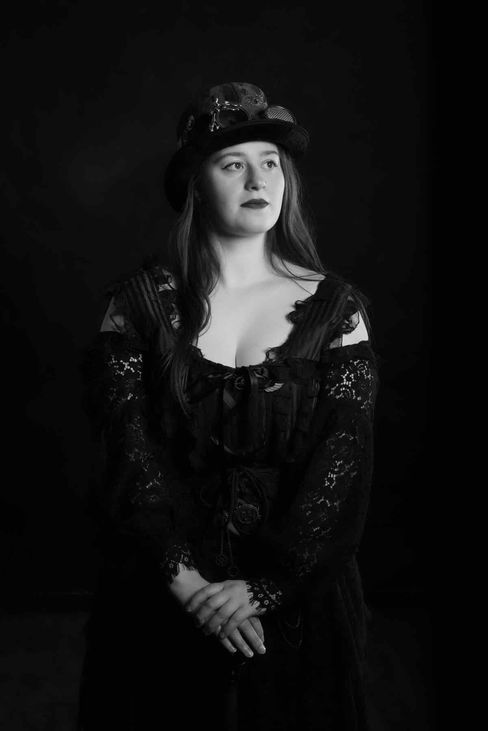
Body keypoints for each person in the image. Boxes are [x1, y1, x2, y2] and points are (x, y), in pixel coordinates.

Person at [78, 81, 379, 731]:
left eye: (271, 162)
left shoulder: (336, 310)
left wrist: (268, 588)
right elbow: (127, 455)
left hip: (297, 605)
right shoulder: (138, 306)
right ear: (196, 183)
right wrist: (190, 587)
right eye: (232, 163)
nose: (258, 178)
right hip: (161, 592)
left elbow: (344, 466)